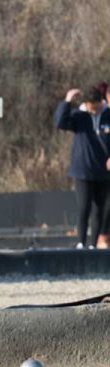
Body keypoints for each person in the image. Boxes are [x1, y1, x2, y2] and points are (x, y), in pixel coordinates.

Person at [55, 86, 110, 250]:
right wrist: (67, 102)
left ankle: (93, 243)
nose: (93, 109)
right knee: (84, 207)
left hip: (103, 172)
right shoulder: (79, 116)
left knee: (99, 209)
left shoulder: (108, 115)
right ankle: (81, 242)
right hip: (82, 170)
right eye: (90, 106)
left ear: (101, 102)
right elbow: (60, 122)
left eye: (96, 105)